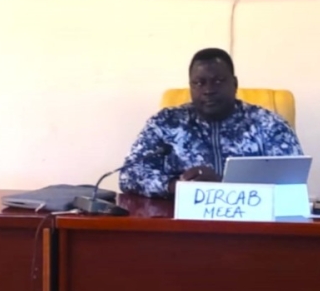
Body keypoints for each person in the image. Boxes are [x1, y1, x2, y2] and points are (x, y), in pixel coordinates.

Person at [119, 48, 303, 198]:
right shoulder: (166, 122)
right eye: (199, 83)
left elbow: (293, 182)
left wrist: (222, 187)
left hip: (250, 225)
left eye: (218, 81)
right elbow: (129, 175)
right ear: (190, 87)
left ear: (234, 84)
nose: (208, 90)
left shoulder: (268, 124)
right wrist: (177, 186)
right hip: (181, 224)